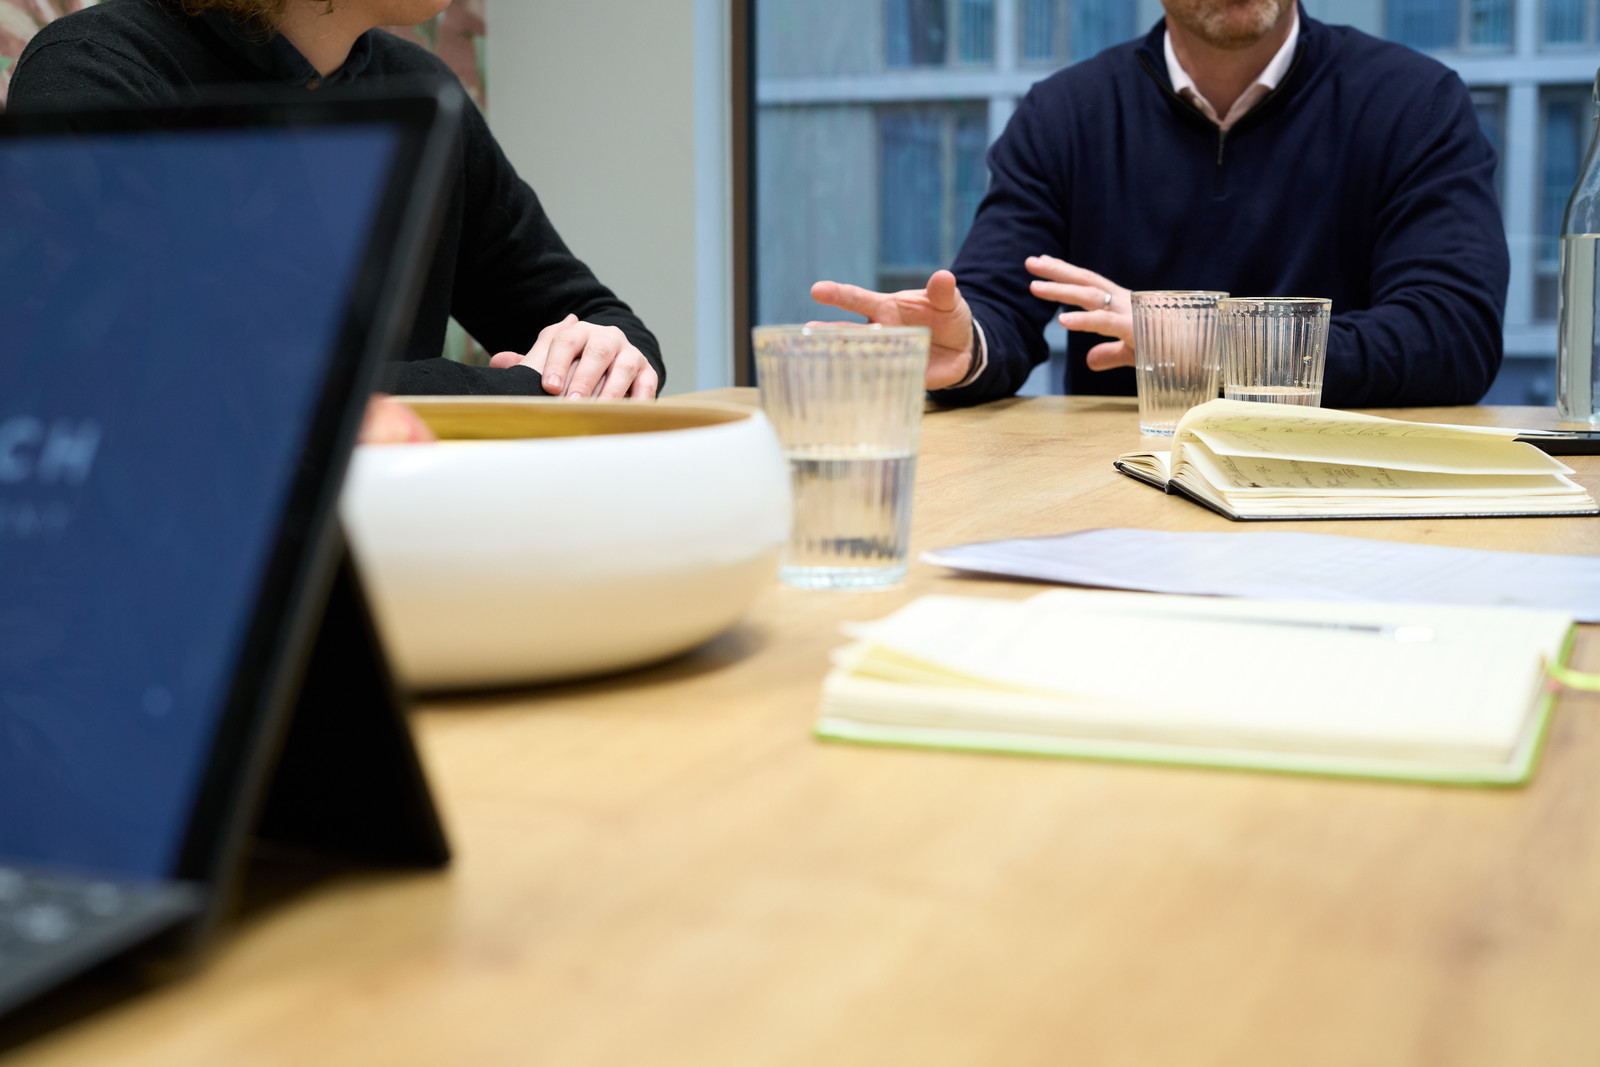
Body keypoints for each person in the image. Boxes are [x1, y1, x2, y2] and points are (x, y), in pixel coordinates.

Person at [811, 0, 1509, 409]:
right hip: (1117, 501)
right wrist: (963, 345)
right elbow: (999, 306)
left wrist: (1210, 343)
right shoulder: (1066, 114)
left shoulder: (1414, 102)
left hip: (1349, 498)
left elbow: (1451, 337)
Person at [8, 0, 662, 401]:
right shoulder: (97, 74)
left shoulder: (419, 90)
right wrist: (524, 390)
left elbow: (598, 317)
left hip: (397, 558)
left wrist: (604, 358)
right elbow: (211, 394)